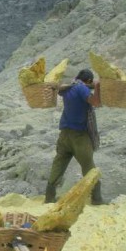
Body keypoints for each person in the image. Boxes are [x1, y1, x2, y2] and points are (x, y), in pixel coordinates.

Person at [45, 68, 105, 205]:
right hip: (79, 136)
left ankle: (49, 196)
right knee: (88, 166)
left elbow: (62, 89)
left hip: (64, 134)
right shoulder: (82, 89)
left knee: (59, 163)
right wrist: (97, 87)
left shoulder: (68, 89)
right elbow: (95, 102)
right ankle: (96, 198)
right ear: (88, 81)